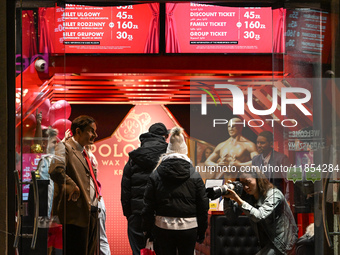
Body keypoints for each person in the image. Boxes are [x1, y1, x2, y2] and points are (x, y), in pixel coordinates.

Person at [142, 127, 209, 255]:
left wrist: (148, 231)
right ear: (185, 151)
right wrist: (201, 230)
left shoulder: (156, 174)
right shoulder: (194, 174)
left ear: (168, 150)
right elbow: (203, 205)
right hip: (189, 227)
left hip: (162, 226)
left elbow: (148, 205)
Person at [49, 115, 99, 255]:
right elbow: (55, 169)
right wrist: (72, 185)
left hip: (89, 212)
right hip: (75, 215)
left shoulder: (84, 152)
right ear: (78, 131)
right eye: (91, 131)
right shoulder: (64, 147)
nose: (95, 135)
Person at [223, 169, 298, 255]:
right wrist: (227, 198)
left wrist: (237, 199)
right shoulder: (249, 197)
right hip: (267, 242)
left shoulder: (274, 194)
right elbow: (231, 216)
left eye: (248, 182)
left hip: (283, 242)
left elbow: (259, 215)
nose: (246, 187)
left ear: (258, 180)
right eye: (242, 184)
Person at [121, 122, 169, 255]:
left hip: (138, 214)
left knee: (138, 251)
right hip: (163, 215)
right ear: (165, 136)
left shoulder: (134, 158)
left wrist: (130, 215)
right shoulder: (171, 157)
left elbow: (125, 190)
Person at [85, 144, 111, 255]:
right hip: (95, 200)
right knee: (99, 238)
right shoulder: (90, 157)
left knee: (99, 238)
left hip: (94, 200)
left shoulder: (89, 158)